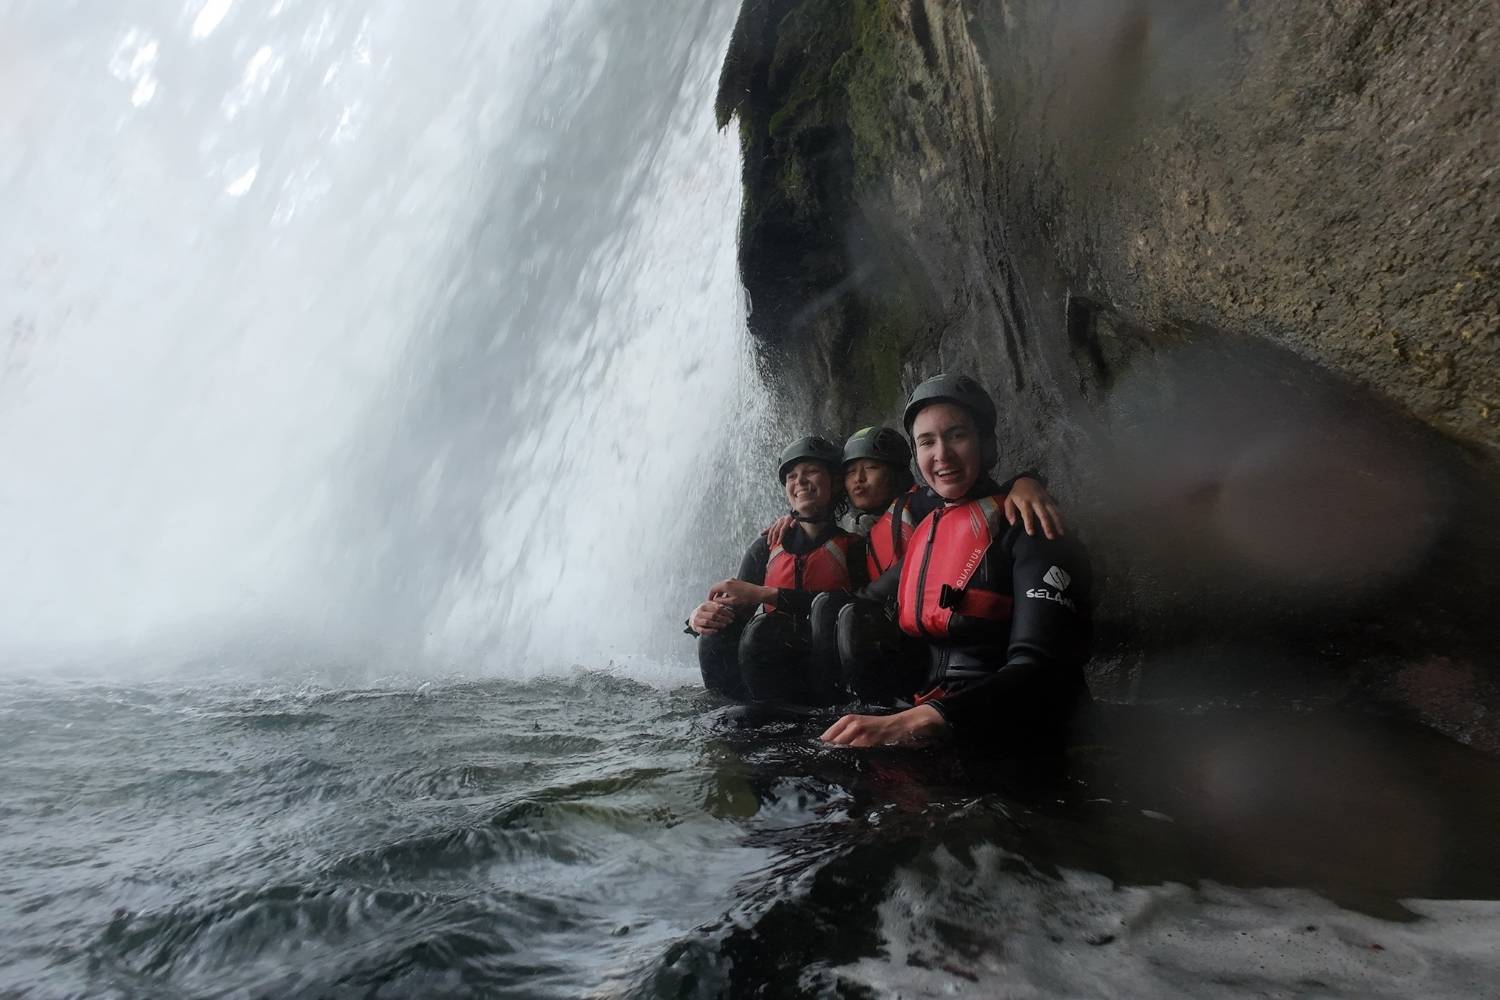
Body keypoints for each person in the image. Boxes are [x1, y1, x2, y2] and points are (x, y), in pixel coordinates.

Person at [821, 374, 1093, 751]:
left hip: (1018, 730)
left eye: (957, 435)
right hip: (936, 712)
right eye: (927, 442)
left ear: (985, 442)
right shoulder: (928, 533)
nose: (942, 455)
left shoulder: (1031, 526)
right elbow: (862, 601)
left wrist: (925, 718)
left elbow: (1042, 669)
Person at [687, 435, 866, 704]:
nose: (800, 481)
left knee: (766, 630)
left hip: (828, 670)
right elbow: (733, 605)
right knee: (719, 632)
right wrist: (695, 618)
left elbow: (858, 607)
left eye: (811, 471)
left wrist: (766, 594)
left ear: (836, 482)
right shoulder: (766, 546)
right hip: (770, 665)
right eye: (792, 476)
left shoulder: (854, 547)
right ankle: (723, 708)